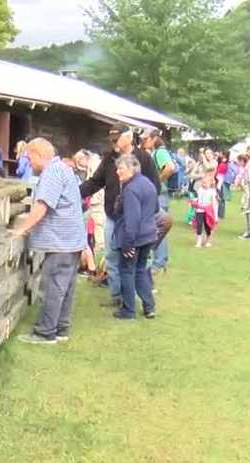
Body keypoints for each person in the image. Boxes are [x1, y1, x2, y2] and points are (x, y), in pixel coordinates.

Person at [11, 138, 87, 345]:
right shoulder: (63, 168)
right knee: (65, 288)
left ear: (38, 155)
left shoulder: (52, 173)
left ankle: (45, 333)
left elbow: (42, 206)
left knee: (52, 287)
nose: (29, 163)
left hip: (60, 242)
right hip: (71, 240)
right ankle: (61, 329)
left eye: (29, 158)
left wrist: (22, 229)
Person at [79, 124, 158, 309]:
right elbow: (95, 182)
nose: (113, 143)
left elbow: (154, 188)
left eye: (117, 139)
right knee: (112, 256)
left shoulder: (144, 159)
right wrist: (74, 193)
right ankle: (117, 296)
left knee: (137, 261)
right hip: (113, 218)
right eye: (112, 139)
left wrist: (147, 215)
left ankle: (135, 301)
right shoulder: (109, 158)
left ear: (128, 137)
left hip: (136, 221)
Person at [112, 153, 158, 320]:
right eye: (117, 168)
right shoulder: (148, 183)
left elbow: (132, 219)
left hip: (135, 236)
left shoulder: (131, 189)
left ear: (132, 168)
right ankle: (149, 308)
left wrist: (128, 244)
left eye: (121, 168)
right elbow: (156, 208)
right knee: (140, 271)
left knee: (127, 271)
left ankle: (128, 310)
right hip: (149, 234)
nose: (118, 172)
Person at [142, 130, 176, 274]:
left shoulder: (160, 152)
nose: (144, 142)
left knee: (159, 226)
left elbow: (170, 167)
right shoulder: (157, 152)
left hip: (159, 194)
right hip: (159, 193)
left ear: (154, 138)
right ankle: (160, 261)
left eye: (146, 139)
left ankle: (158, 263)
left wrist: (157, 182)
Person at [190, 171, 219, 248]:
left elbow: (214, 203)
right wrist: (194, 201)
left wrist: (215, 216)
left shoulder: (212, 192)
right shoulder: (200, 190)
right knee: (199, 225)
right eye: (202, 183)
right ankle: (199, 240)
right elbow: (198, 198)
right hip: (200, 210)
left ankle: (208, 240)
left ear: (210, 183)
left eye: (205, 183)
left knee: (208, 226)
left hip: (208, 211)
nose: (203, 184)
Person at [216, 154, 231, 219]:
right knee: (221, 199)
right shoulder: (225, 164)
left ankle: (220, 214)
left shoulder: (222, 165)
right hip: (222, 182)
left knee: (220, 199)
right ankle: (220, 214)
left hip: (221, 182)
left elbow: (218, 173)